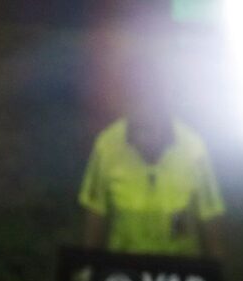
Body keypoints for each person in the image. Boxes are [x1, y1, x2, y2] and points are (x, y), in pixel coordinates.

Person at [79, 58, 224, 259]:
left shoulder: (194, 150)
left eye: (151, 99)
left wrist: (216, 273)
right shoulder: (107, 146)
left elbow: (211, 220)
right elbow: (95, 217)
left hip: (178, 269)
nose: (144, 109)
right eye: (136, 98)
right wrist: (89, 269)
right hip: (125, 268)